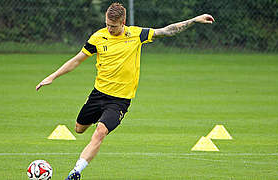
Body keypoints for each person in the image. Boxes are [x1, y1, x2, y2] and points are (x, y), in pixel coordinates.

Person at [36, 3, 214, 180]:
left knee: (99, 132)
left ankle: (75, 172)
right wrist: (53, 76)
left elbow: (166, 31)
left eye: (113, 26)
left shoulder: (136, 34)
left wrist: (194, 20)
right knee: (79, 129)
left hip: (119, 101)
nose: (109, 28)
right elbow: (77, 60)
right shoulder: (98, 37)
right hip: (98, 94)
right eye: (107, 24)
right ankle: (101, 118)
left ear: (123, 22)